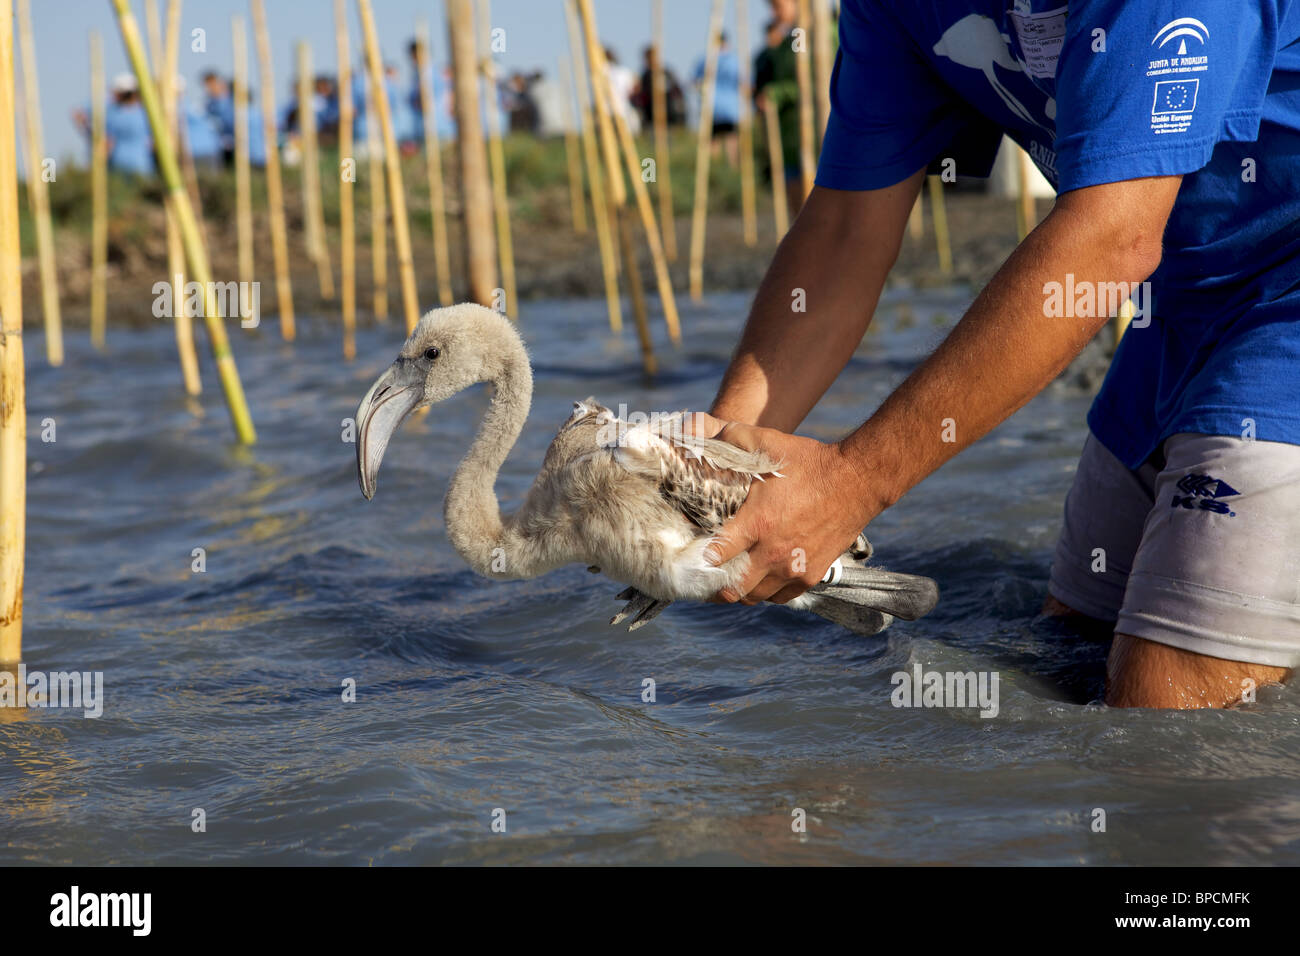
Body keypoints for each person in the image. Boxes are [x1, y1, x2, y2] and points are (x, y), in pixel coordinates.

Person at [692, 0, 1300, 710]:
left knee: (1163, 699)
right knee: (1073, 655)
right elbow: (845, 231)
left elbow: (1112, 238)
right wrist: (717, 459)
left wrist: (846, 484)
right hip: (1180, 306)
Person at [694, 32, 741, 165]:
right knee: (731, 139)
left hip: (711, 107)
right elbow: (744, 82)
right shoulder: (733, 60)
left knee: (713, 140)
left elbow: (694, 81)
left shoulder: (705, 59)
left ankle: (714, 169)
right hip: (729, 108)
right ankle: (731, 168)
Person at [603, 46, 641, 135]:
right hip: (622, 108)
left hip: (606, 109)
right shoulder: (624, 72)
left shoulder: (601, 71)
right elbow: (635, 87)